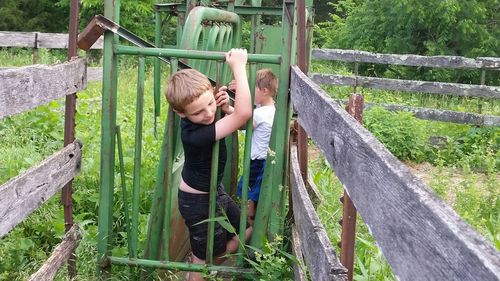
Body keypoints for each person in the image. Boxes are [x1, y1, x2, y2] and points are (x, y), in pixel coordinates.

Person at [165, 48, 253, 281]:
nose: (207, 114)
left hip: (215, 192)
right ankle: (198, 270)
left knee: (245, 228)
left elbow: (228, 113)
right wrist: (239, 68)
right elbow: (243, 114)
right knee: (202, 260)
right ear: (180, 114)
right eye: (198, 112)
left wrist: (222, 107)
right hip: (197, 203)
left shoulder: (203, 111)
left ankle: (205, 267)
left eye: (209, 104)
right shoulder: (194, 135)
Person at [233, 69, 278, 226]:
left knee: (249, 194)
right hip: (265, 159)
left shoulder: (259, 114)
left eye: (252, 90)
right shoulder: (272, 110)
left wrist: (228, 109)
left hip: (257, 161)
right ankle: (254, 224)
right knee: (255, 195)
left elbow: (243, 123)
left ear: (264, 91)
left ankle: (250, 225)